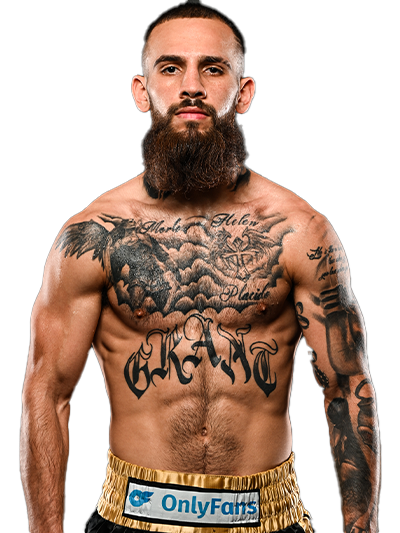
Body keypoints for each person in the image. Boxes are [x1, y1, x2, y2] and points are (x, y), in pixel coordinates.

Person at [19, 3, 381, 533]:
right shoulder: (92, 236)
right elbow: (46, 395)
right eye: (170, 68)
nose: (191, 86)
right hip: (131, 519)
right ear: (143, 90)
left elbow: (347, 390)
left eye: (213, 68)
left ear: (243, 92)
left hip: (267, 519)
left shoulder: (301, 232)